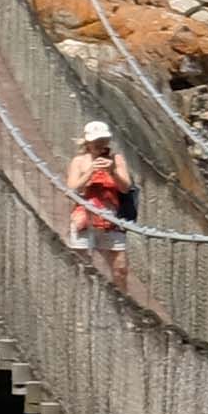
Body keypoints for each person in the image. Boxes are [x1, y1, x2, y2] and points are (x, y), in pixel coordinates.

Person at [62, 118, 138, 300]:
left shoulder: (116, 160)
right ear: (87, 142)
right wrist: (90, 171)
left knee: (120, 267)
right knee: (80, 264)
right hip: (84, 218)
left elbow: (125, 188)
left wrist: (112, 171)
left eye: (103, 140)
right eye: (96, 141)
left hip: (112, 218)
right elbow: (72, 190)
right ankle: (80, 301)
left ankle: (123, 303)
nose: (100, 144)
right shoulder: (79, 161)